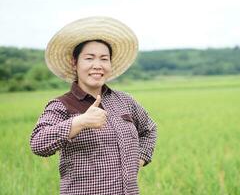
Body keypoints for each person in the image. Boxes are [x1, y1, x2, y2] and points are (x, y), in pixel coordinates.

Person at [30, 16, 157, 195]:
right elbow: (38, 143)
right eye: (89, 58)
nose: (97, 65)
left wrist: (139, 159)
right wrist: (80, 122)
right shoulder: (62, 105)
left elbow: (149, 129)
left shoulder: (125, 101)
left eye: (104, 59)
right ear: (75, 63)